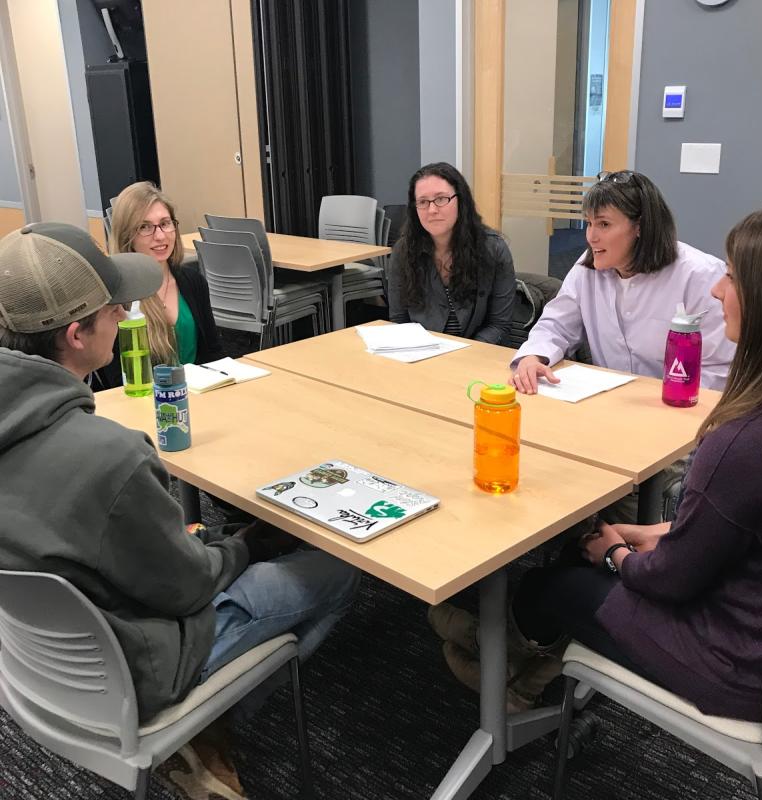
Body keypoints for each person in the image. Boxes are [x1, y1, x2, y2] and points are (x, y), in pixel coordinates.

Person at [0, 223, 361, 798]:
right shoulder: (108, 456)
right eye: (114, 310)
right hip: (139, 666)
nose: (124, 317)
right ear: (75, 334)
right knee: (338, 571)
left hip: (42, 670)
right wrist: (244, 545)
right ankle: (208, 726)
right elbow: (189, 588)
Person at [436, 205, 762, 720]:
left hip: (737, 668)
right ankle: (512, 659)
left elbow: (671, 580)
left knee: (560, 580)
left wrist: (616, 555)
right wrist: (664, 531)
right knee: (590, 546)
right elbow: (759, 525)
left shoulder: (745, 443)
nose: (719, 291)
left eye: (734, 277)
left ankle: (501, 675)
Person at [510, 170, 735, 394]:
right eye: (588, 223)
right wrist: (533, 356)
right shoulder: (588, 268)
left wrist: (672, 401)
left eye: (604, 224)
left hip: (677, 408)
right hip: (609, 401)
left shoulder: (700, 275)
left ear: (640, 227)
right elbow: (556, 325)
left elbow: (718, 370)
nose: (591, 236)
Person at [95, 181, 223, 388]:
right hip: (145, 405)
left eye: (165, 223)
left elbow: (214, 352)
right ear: (128, 236)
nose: (160, 236)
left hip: (199, 399)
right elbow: (116, 380)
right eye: (145, 227)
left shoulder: (192, 282)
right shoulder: (116, 297)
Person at [388, 162, 516, 344]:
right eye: (423, 202)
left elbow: (499, 325)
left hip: (478, 355)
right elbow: (399, 320)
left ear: (460, 201)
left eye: (441, 199)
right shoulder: (403, 251)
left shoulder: (493, 248)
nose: (432, 210)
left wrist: (462, 357)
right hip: (422, 355)